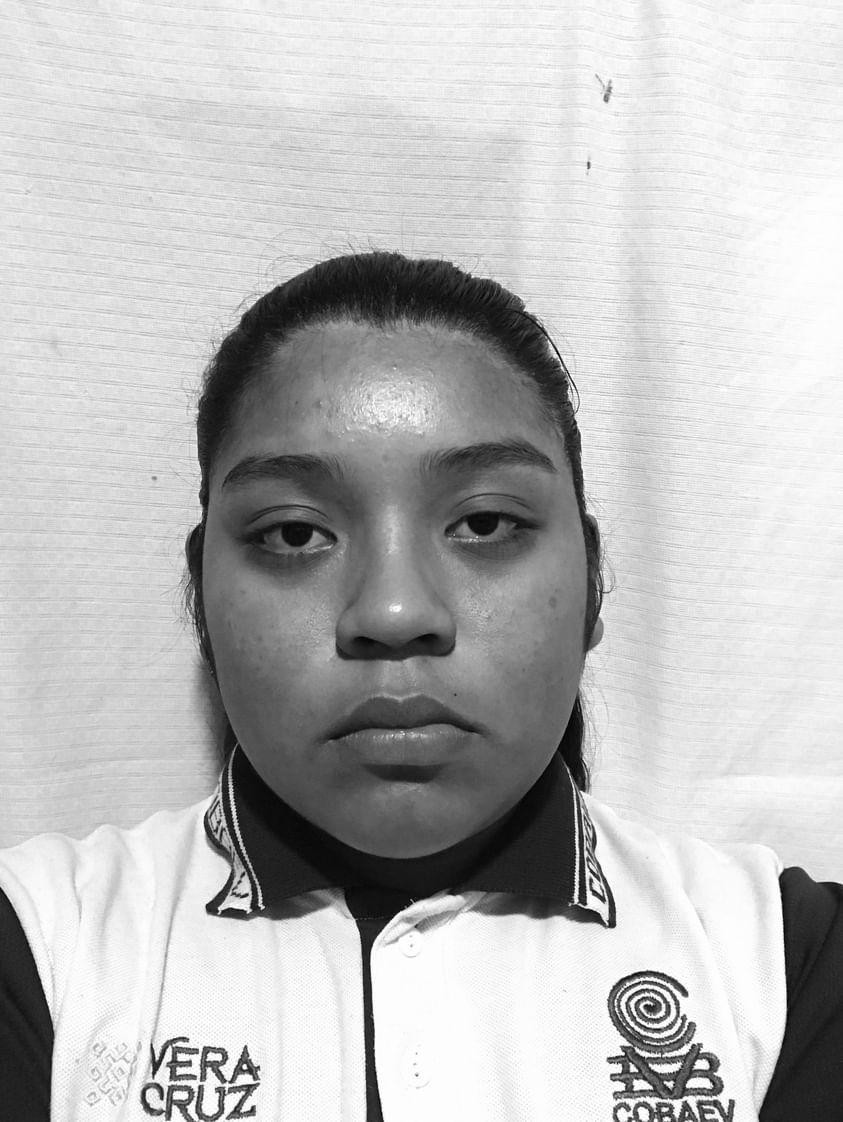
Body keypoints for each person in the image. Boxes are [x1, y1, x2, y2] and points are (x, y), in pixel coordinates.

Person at [0, 249, 840, 1122]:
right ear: (200, 598)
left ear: (592, 584)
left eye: (485, 522)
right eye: (294, 534)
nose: (394, 612)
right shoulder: (45, 948)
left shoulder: (783, 964)